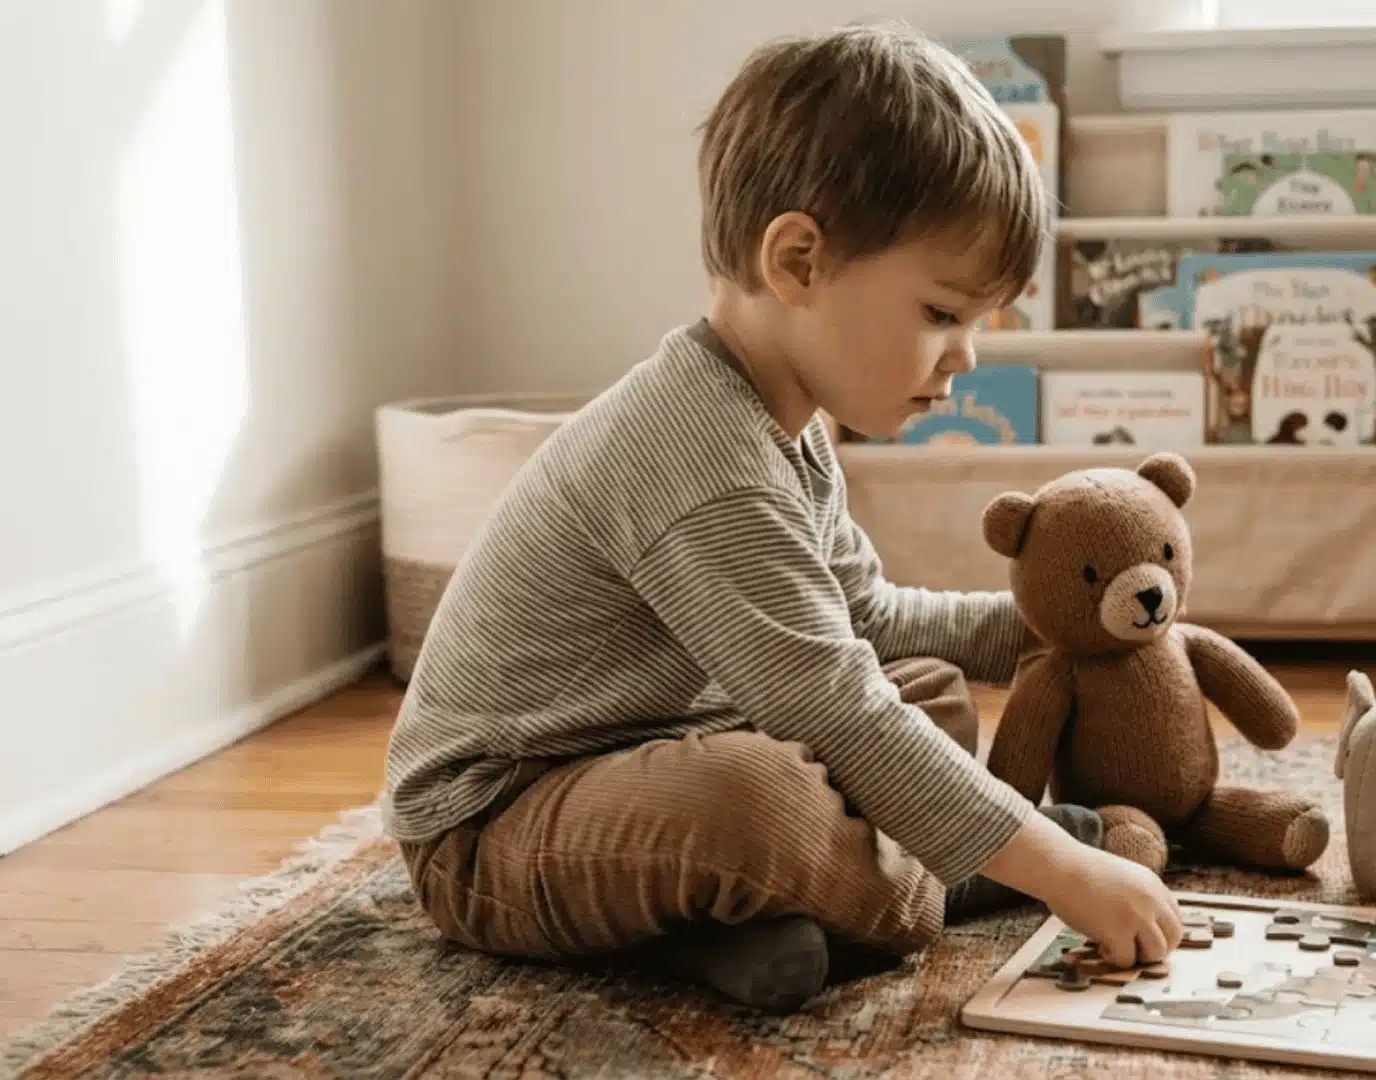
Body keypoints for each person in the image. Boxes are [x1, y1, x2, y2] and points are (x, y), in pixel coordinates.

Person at [380, 21, 1184, 1014]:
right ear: (799, 261)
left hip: (659, 745)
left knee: (922, 689)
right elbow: (832, 703)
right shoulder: (702, 453)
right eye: (942, 315)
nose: (964, 357)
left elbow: (864, 620)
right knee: (757, 801)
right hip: (494, 825)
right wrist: (1058, 867)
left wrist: (1048, 623)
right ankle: (946, 876)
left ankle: (751, 927)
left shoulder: (785, 423)